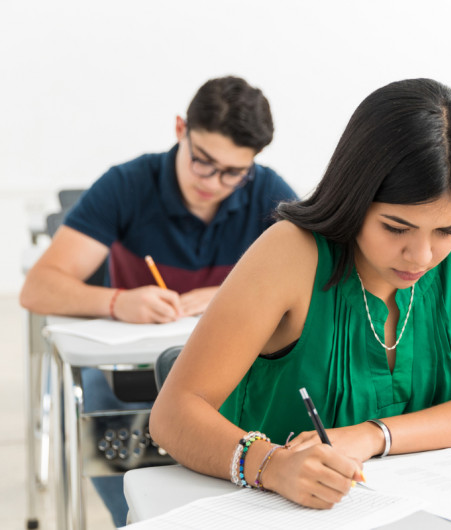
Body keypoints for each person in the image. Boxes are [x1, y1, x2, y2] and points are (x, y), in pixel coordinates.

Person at [149, 78, 451, 509]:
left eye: (446, 230)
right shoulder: (292, 252)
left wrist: (372, 436)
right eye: (396, 227)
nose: (421, 255)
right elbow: (173, 414)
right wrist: (272, 464)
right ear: (355, 195)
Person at [20, 76, 297, 526]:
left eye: (233, 172)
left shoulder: (267, 192)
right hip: (127, 375)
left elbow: (314, 285)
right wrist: (117, 302)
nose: (213, 182)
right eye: (203, 161)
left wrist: (234, 295)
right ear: (179, 129)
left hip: (229, 374)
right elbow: (40, 287)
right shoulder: (128, 184)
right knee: (100, 407)